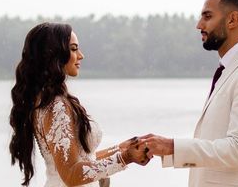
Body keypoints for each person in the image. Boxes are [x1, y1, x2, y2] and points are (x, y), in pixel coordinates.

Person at [141, 0, 238, 186]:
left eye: (207, 16)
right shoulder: (232, 69)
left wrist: (172, 147)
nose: (199, 25)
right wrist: (168, 150)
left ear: (232, 20)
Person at [9, 22, 150, 187]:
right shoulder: (56, 106)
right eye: (74, 49)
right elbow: (71, 174)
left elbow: (81, 160)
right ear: (54, 54)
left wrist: (121, 149)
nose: (81, 55)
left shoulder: (47, 101)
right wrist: (125, 158)